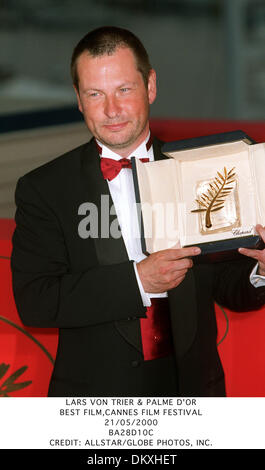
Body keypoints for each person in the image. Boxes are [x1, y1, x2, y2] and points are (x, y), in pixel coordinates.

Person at [11, 26, 265, 397]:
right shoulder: (44, 189)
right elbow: (37, 302)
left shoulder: (200, 171)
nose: (111, 109)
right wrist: (138, 281)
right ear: (79, 99)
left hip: (194, 394)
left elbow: (227, 285)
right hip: (95, 401)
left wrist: (260, 270)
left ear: (150, 86)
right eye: (95, 94)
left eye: (124, 90)